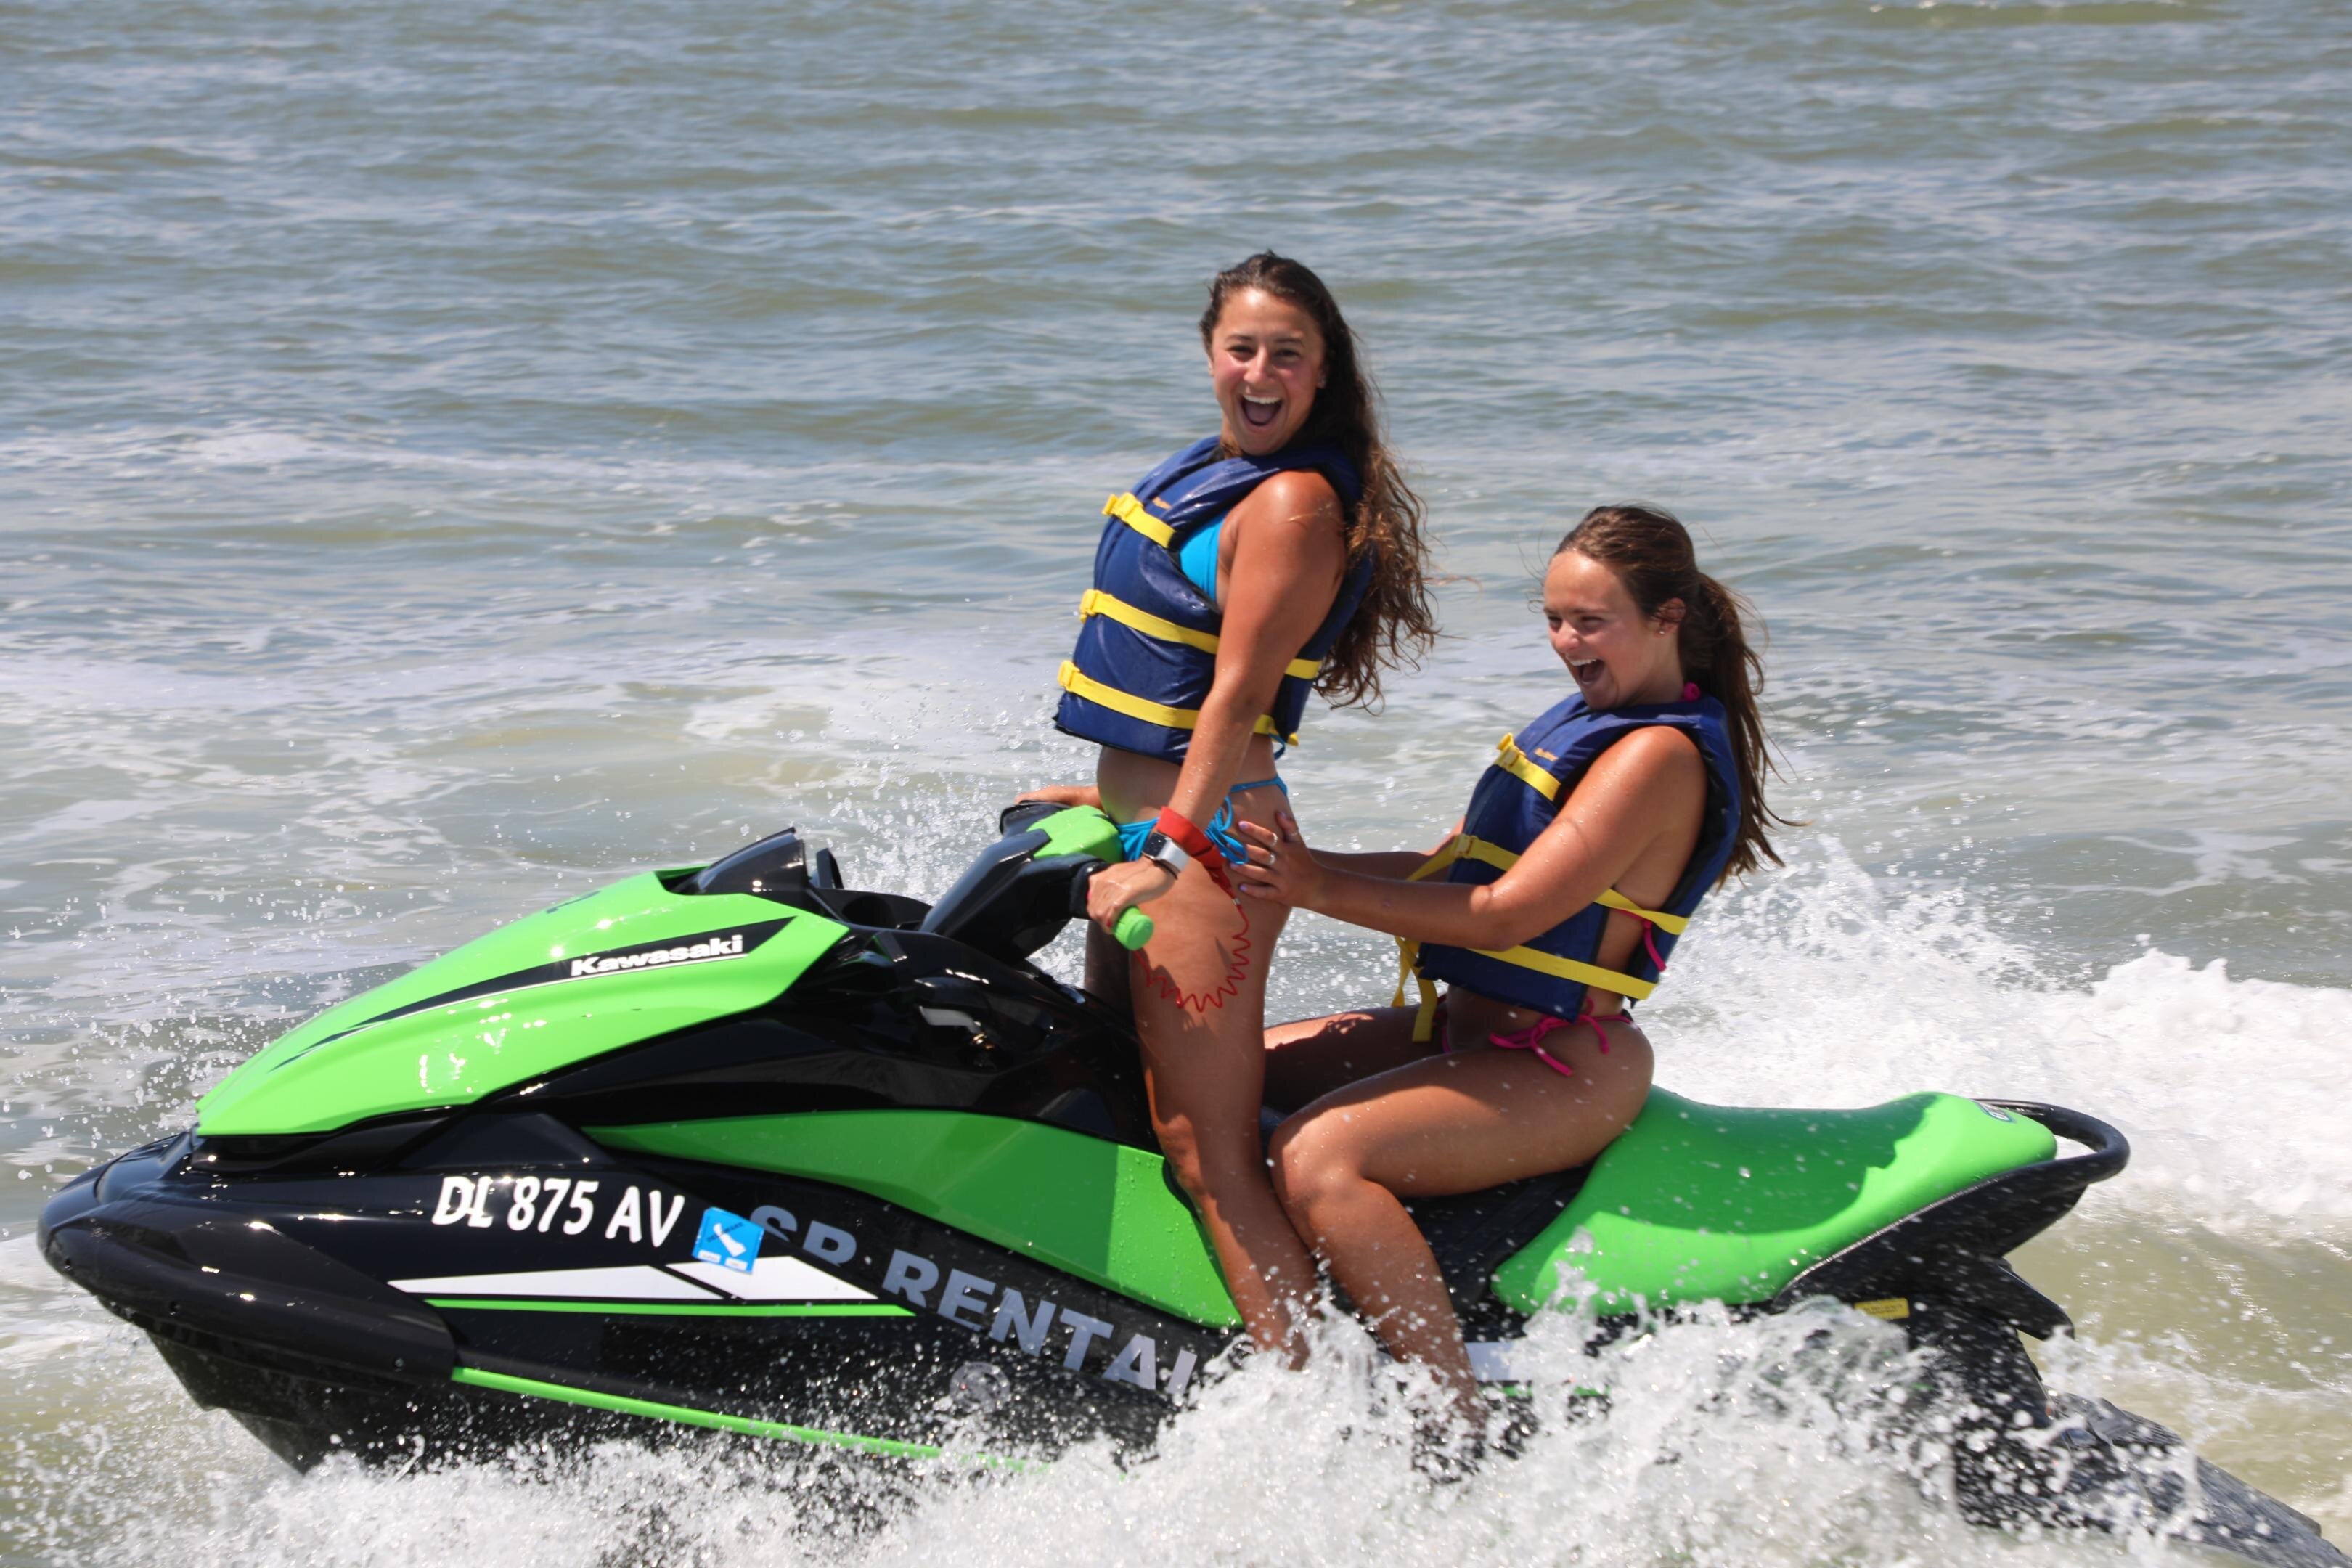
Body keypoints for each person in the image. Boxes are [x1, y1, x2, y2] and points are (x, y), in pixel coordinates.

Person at [1230, 505, 1786, 1417]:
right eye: (1554, 619)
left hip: (1563, 1067)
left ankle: (1452, 1419)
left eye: (1590, 621)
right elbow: (1443, 873)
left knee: (1319, 1158)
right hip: (1468, 1033)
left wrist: (1309, 887)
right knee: (1232, 1074)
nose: (1566, 642)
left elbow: (1506, 915)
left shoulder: (1657, 755)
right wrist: (1262, 857)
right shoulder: (1590, 722)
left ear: (1668, 619)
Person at [1022, 253, 1435, 1360]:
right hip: (1164, 830)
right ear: (1210, 353)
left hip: (1202, 853)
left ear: (1323, 371)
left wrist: (1162, 844)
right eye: (1241, 349)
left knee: (1211, 1158)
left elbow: (1239, 697)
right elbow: (1175, 695)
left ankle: (1316, 1402)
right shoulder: (1218, 474)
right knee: (1134, 1107)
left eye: (1287, 355)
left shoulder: (1295, 503)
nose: (1260, 373)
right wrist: (1110, 795)